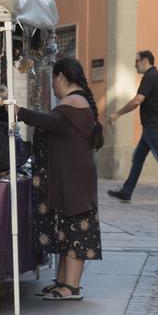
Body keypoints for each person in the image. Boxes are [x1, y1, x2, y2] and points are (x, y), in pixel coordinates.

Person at [18, 57, 104, 301]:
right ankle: (63, 282)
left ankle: (71, 288)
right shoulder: (76, 101)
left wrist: (20, 113)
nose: (53, 85)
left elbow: (51, 122)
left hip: (74, 181)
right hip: (73, 178)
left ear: (61, 78)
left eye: (53, 79)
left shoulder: (73, 102)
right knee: (67, 232)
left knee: (75, 232)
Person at [108, 50, 158, 205]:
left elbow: (137, 101)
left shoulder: (151, 77)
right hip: (154, 125)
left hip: (152, 126)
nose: (135, 65)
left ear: (145, 60)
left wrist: (118, 114)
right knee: (138, 158)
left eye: (137, 61)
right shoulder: (157, 77)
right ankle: (126, 192)